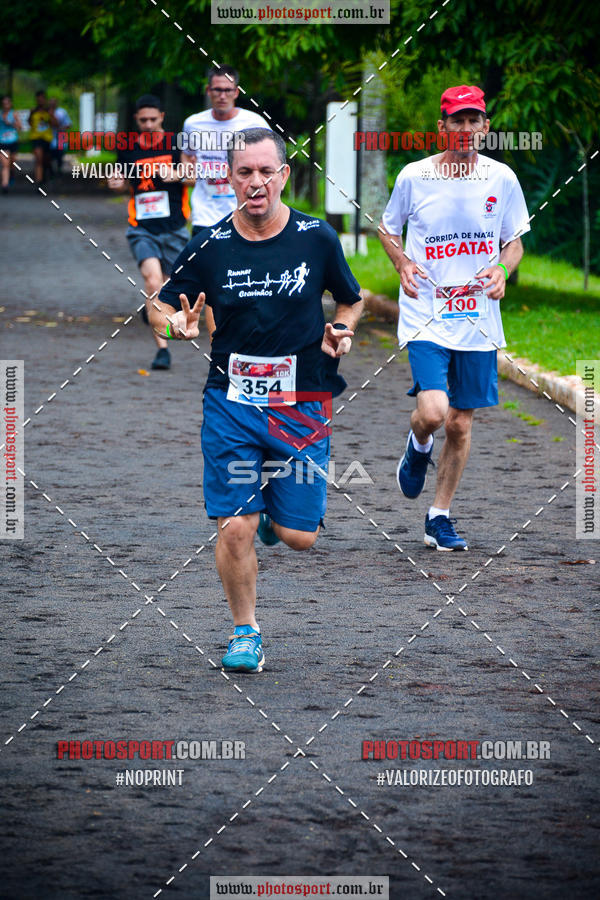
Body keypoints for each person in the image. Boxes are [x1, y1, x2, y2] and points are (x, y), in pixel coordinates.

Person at [150, 128, 363, 672]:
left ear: (283, 175)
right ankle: (245, 631)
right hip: (231, 401)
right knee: (234, 524)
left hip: (303, 401)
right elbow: (160, 306)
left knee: (299, 537)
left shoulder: (317, 238)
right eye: (244, 172)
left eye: (266, 171)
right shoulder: (210, 245)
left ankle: (276, 518)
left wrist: (339, 328)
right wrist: (177, 326)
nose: (256, 182)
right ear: (228, 178)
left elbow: (351, 299)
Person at [379, 85, 531, 550]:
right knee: (434, 412)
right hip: (427, 309)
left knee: (461, 424)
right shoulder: (414, 175)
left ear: (486, 127)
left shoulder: (501, 178)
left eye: (474, 120)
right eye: (456, 121)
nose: (466, 129)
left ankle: (438, 516)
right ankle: (418, 442)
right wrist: (403, 264)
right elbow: (388, 229)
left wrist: (504, 269)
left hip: (478, 319)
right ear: (442, 128)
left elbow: (515, 241)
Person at [108, 94, 192, 371]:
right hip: (141, 227)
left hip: (175, 228)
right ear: (136, 119)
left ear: (162, 117)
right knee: (153, 281)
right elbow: (121, 181)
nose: (147, 124)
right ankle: (162, 350)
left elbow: (193, 176)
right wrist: (116, 183)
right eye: (142, 120)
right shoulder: (129, 147)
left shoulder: (176, 143)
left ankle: (152, 310)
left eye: (152, 120)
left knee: (169, 288)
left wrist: (177, 174)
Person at [182, 65, 269, 234]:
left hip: (244, 213)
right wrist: (189, 172)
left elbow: (274, 160)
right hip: (205, 215)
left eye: (228, 90)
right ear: (208, 90)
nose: (222, 96)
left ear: (236, 92)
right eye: (217, 90)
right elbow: (186, 156)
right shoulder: (193, 124)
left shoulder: (254, 123)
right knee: (204, 260)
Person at [29, 90, 57, 185]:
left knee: (46, 160)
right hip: (36, 138)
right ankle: (39, 181)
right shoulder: (33, 111)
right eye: (38, 99)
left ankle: (47, 173)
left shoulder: (48, 111)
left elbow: (55, 124)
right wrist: (31, 114)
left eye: (42, 99)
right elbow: (30, 123)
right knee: (39, 159)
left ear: (45, 100)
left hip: (47, 138)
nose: (40, 101)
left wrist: (51, 115)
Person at [0, 96, 22, 194]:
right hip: (2, 142)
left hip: (13, 141)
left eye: (7, 103)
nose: (5, 106)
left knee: (11, 163)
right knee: (5, 164)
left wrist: (10, 123)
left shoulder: (14, 114)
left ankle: (12, 174)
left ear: (10, 104)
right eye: (4, 104)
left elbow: (20, 127)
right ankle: (5, 184)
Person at [48, 99, 72, 174]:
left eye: (53, 103)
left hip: (61, 136)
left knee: (60, 154)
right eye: (51, 103)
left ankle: (59, 168)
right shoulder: (46, 112)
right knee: (50, 155)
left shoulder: (62, 112)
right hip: (50, 137)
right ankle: (51, 170)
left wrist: (62, 128)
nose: (52, 104)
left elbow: (68, 124)